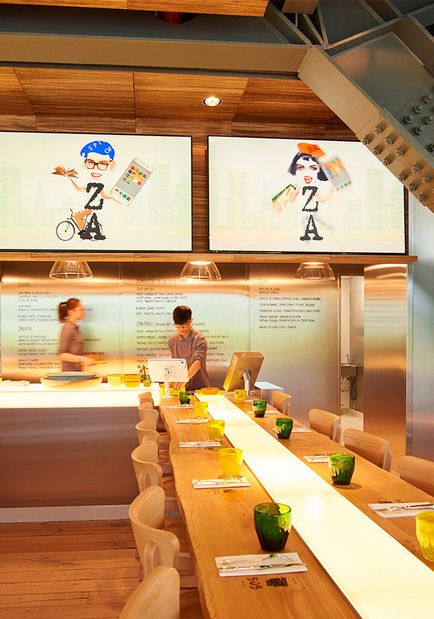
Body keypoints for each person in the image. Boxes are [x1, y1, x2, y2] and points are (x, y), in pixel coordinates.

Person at [168, 306, 210, 391]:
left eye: (184, 326)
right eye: (178, 326)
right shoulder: (172, 340)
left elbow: (197, 362)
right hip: (181, 388)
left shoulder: (199, 339)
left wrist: (185, 378)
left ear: (190, 321)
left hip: (199, 388)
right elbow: (175, 363)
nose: (181, 329)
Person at [57, 298, 95, 371]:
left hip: (77, 372)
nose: (83, 312)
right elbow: (62, 355)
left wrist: (87, 358)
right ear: (71, 311)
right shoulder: (67, 328)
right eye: (81, 309)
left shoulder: (75, 328)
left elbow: (74, 352)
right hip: (69, 374)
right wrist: (83, 359)